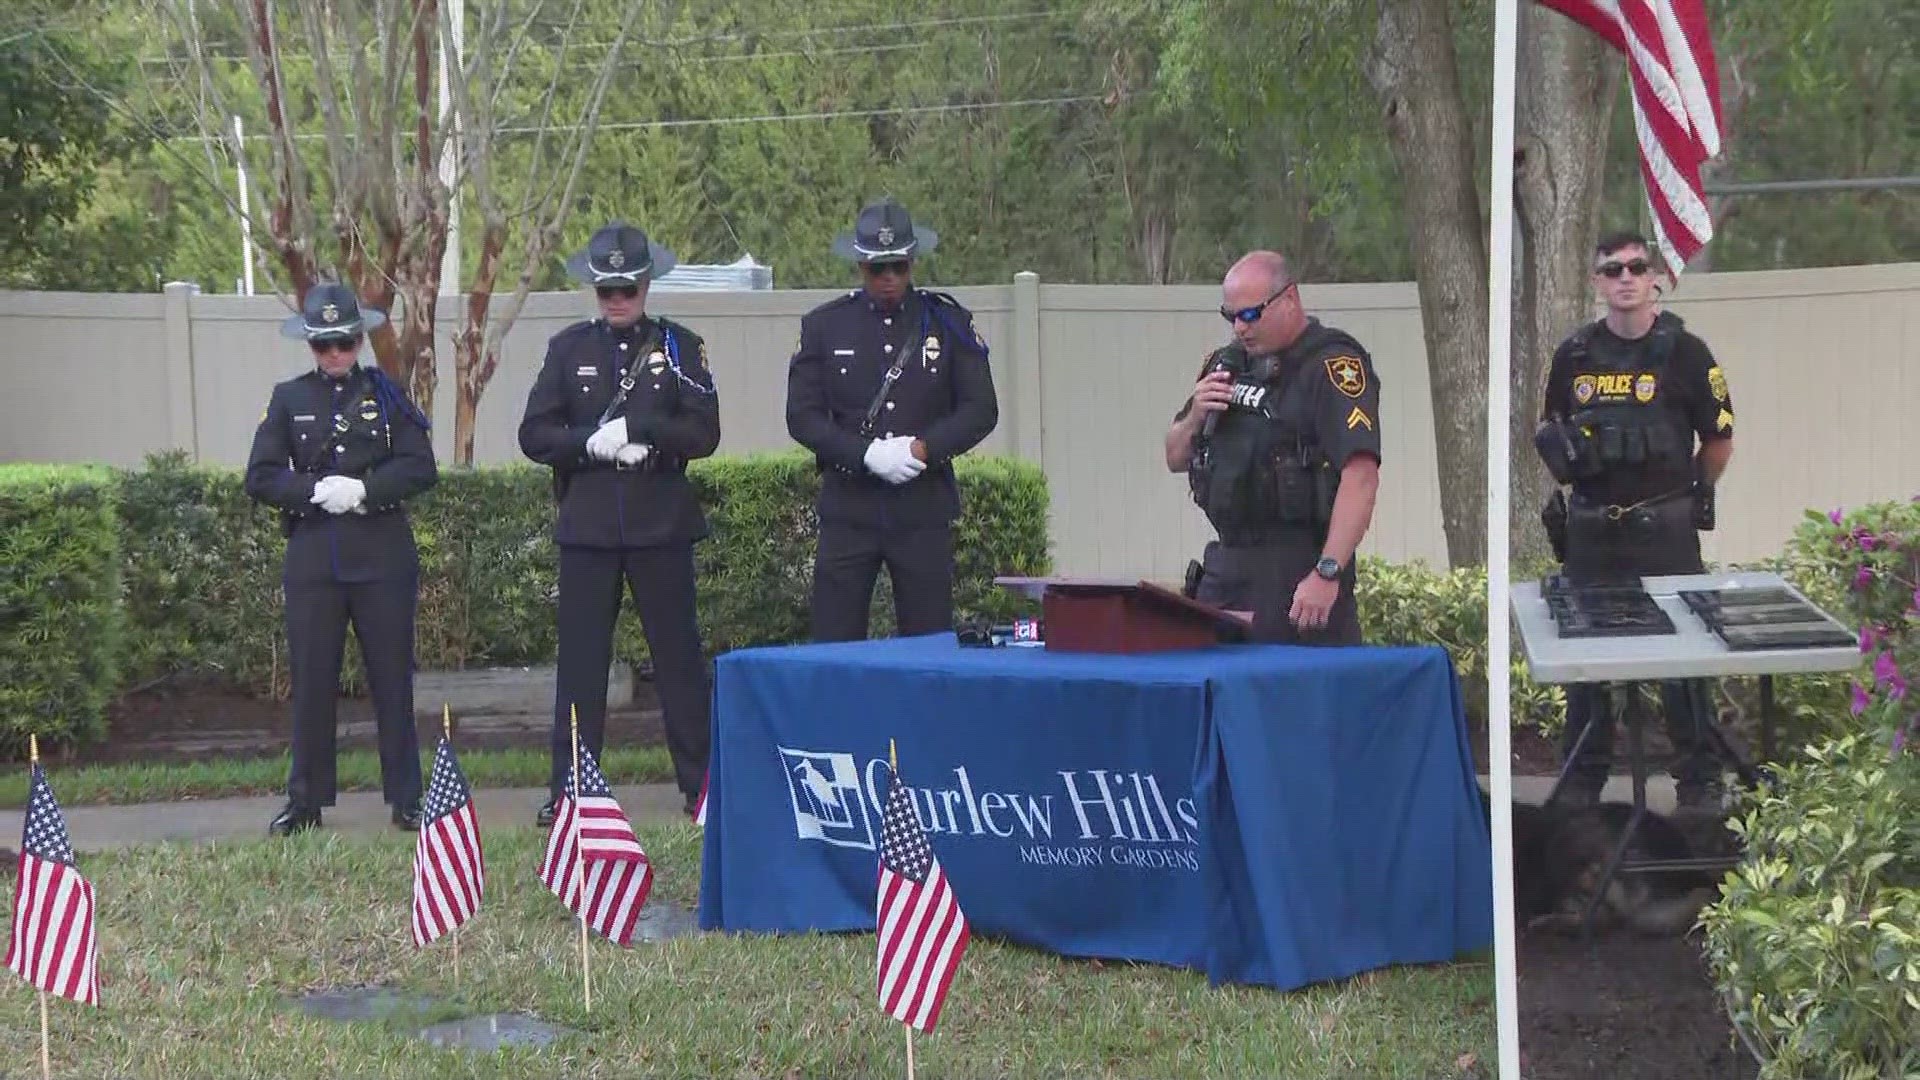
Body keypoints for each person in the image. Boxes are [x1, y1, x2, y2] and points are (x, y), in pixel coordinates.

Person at [518, 222, 719, 825]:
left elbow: (704, 432)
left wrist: (642, 431)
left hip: (661, 523)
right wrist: (591, 444)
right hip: (590, 529)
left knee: (679, 661)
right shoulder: (568, 349)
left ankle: (702, 786)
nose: (617, 299)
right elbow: (534, 434)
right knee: (581, 665)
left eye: (627, 287)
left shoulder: (680, 346)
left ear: (646, 283)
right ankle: (571, 791)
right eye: (606, 289)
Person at [1534, 231, 1736, 812]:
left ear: (1655, 279)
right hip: (1594, 534)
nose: (1625, 278)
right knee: (1589, 667)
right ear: (1598, 281)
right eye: (1612, 268)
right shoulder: (1573, 356)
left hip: (1665, 531)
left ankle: (1699, 787)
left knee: (1685, 665)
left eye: (1636, 267)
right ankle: (1581, 788)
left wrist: (1689, 494)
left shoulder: (1687, 353)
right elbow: (1553, 436)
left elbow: (1719, 442)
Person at [244, 282, 436, 836]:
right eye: (324, 344)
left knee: (393, 681)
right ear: (310, 344)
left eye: (346, 342)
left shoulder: (388, 394)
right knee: (312, 681)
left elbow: (420, 466)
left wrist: (363, 490)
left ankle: (407, 796)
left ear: (360, 339)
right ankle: (305, 800)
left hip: (382, 556)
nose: (335, 354)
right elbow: (260, 476)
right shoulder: (288, 399)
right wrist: (312, 491)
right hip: (314, 558)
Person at [785, 197, 998, 642]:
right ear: (860, 265)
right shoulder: (825, 326)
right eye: (878, 268)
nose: (888, 278)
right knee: (834, 645)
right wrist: (865, 454)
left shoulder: (946, 322)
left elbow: (981, 408)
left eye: (898, 267)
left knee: (928, 644)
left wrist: (923, 449)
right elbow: (802, 416)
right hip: (849, 506)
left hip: (922, 505)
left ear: (913, 260)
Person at [1165, 250, 1382, 644]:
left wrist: (1327, 571)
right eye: (1230, 316)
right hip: (1225, 571)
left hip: (1297, 575)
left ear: (1289, 299)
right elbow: (1175, 457)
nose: (1240, 329)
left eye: (1250, 314)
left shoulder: (1332, 366)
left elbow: (1361, 475)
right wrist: (1196, 413)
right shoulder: (1225, 366)